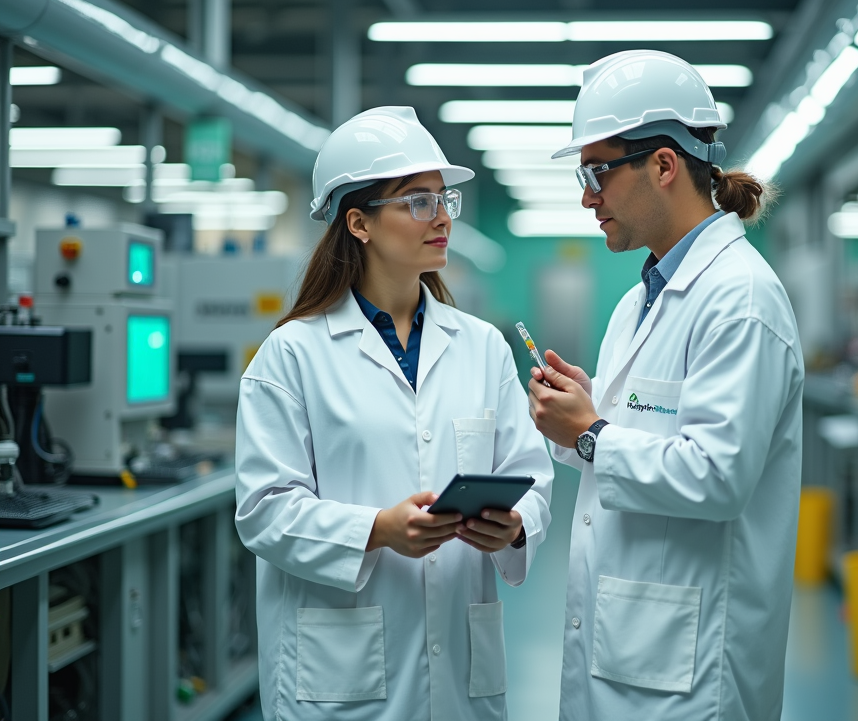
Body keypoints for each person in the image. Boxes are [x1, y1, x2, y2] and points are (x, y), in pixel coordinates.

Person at [235, 106, 554, 721]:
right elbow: (264, 511)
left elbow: (532, 477)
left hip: (462, 667)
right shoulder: (293, 353)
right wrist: (377, 530)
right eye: (416, 202)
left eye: (442, 200)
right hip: (343, 675)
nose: (440, 218)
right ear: (358, 222)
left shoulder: (483, 346)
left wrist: (513, 527)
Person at [527, 51, 805, 721]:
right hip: (632, 646)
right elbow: (649, 442)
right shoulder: (642, 299)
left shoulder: (739, 299)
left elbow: (718, 477)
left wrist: (590, 435)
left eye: (598, 171)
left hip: (691, 665)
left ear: (662, 165)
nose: (586, 195)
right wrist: (583, 418)